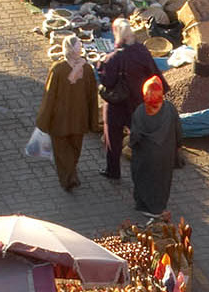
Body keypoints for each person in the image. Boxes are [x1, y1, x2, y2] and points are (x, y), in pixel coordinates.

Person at [96, 20, 163, 181]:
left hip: (117, 105)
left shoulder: (113, 58)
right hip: (139, 102)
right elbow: (154, 73)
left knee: (113, 138)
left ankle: (113, 171)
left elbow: (107, 81)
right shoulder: (142, 51)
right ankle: (146, 170)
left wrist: (99, 64)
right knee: (140, 137)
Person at [35, 35, 98, 192]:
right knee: (75, 148)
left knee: (62, 152)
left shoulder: (58, 70)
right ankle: (71, 175)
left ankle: (68, 178)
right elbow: (92, 96)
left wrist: (43, 120)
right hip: (80, 118)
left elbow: (49, 96)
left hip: (60, 120)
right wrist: (93, 120)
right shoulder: (87, 69)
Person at [129, 76, 179, 216]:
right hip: (165, 153)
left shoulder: (140, 111)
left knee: (143, 179)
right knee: (162, 181)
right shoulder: (169, 109)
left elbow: (135, 136)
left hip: (144, 154)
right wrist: (177, 147)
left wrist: (131, 145)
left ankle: (145, 206)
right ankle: (158, 207)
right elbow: (178, 130)